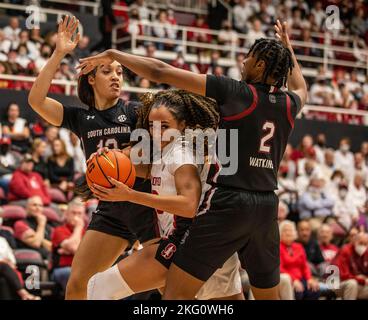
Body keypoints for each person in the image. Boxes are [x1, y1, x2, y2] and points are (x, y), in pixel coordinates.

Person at [78, 19, 308, 299]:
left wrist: (114, 54)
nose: (243, 62)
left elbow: (159, 70)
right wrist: (288, 48)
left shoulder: (237, 93)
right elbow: (301, 88)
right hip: (266, 207)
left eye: (249, 57)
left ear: (260, 66)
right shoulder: (289, 103)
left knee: (174, 296)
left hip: (227, 204)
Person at [28, 16, 156, 299]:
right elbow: (36, 101)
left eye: (120, 72)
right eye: (108, 71)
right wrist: (60, 52)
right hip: (111, 209)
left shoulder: (136, 112)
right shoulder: (80, 117)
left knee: (171, 285)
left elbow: (154, 154)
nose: (116, 77)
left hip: (147, 204)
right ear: (90, 78)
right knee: (78, 285)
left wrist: (122, 156)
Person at [87, 90, 243, 300]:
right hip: (211, 246)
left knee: (99, 288)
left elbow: (188, 205)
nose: (157, 132)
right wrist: (107, 157)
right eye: (152, 126)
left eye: (164, 126)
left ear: (182, 125)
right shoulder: (169, 150)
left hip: (186, 242)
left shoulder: (180, 154)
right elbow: (141, 168)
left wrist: (130, 195)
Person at [279, 220, 320, 300]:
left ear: (294, 233)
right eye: (285, 230)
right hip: (288, 280)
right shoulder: (278, 247)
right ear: (280, 233)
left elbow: (304, 266)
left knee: (314, 290)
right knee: (298, 293)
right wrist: (293, 280)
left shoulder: (299, 246)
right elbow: (280, 268)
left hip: (301, 279)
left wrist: (309, 279)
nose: (288, 233)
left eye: (290, 230)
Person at [51, 199, 86, 292]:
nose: (76, 216)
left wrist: (68, 250)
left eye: (79, 214)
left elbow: (92, 254)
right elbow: (74, 248)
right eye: (73, 213)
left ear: (83, 215)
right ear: (66, 214)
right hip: (62, 269)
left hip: (82, 269)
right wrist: (79, 227)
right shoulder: (59, 230)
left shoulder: (88, 232)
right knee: (73, 274)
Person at [0, 235, 41, 300]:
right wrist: (2, 261)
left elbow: (11, 256)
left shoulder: (2, 240)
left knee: (3, 281)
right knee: (4, 266)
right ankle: (24, 293)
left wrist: (11, 262)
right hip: (3, 266)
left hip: (6, 270)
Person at [333, 232, 368, 300]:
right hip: (337, 283)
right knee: (352, 283)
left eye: (365, 244)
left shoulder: (366, 253)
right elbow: (343, 275)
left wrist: (363, 279)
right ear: (354, 242)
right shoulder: (345, 250)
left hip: (357, 284)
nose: (363, 246)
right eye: (360, 243)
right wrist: (361, 279)